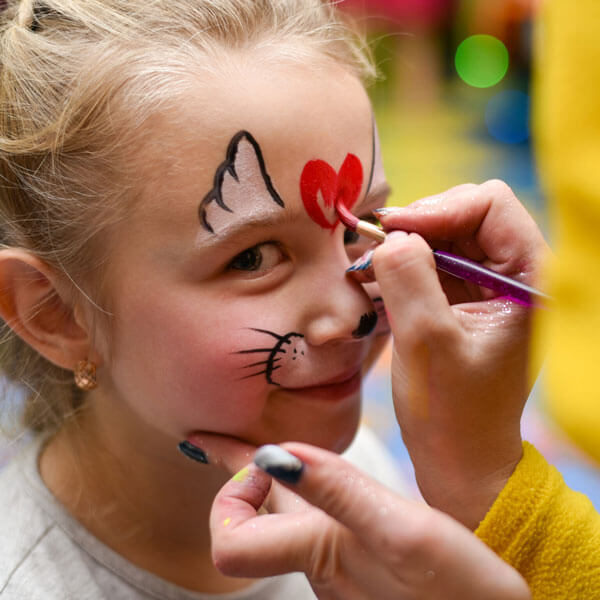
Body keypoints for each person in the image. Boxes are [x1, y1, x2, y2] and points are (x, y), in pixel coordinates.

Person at [0, 1, 533, 598]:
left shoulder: (359, 479)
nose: (354, 314)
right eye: (252, 258)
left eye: (361, 227)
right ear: (55, 313)